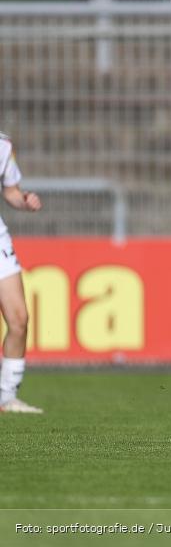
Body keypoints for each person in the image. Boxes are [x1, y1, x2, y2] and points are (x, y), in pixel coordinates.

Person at [0, 131, 43, 414]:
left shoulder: (2, 145)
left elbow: (11, 190)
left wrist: (24, 199)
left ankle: (7, 397)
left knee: (19, 318)